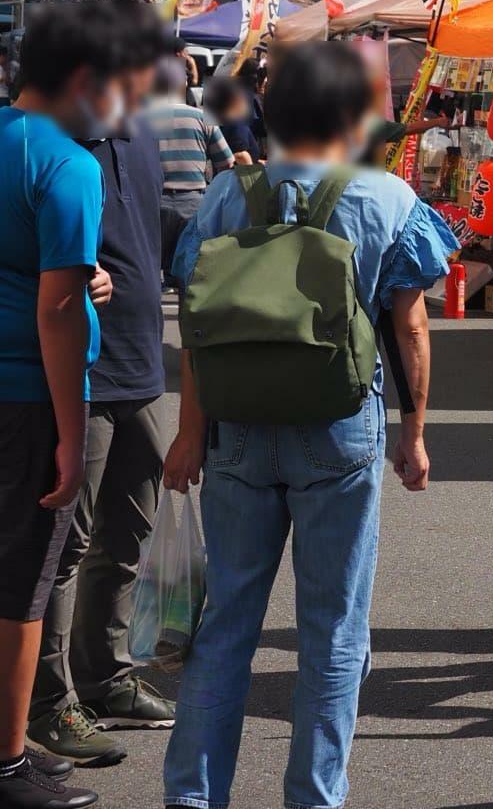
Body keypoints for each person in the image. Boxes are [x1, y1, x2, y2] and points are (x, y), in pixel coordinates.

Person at [160, 40, 454, 809]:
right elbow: (411, 328)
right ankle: (313, 798)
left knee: (225, 627)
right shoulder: (385, 199)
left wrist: (189, 433)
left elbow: (197, 323)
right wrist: (414, 433)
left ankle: (193, 797)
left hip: (237, 433)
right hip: (337, 429)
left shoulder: (229, 196)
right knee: (332, 633)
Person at [29, 0, 176, 772]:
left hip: (141, 369)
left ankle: (107, 675)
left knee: (127, 533)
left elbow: (155, 238)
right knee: (60, 543)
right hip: (73, 373)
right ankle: (46, 702)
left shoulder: (139, 134)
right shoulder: (48, 142)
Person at [0, 0, 121, 809]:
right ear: (83, 78)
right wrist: (73, 438)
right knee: (20, 589)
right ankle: (7, 764)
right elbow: (53, 311)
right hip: (27, 398)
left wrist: (78, 281)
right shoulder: (70, 164)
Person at [141, 60, 236, 276]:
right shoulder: (202, 118)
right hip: (194, 203)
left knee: (152, 271)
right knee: (191, 272)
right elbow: (227, 163)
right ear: (183, 84)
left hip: (155, 202)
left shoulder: (144, 119)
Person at [201, 78, 258, 165]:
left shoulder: (218, 123)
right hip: (239, 176)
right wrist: (254, 179)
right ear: (235, 101)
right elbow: (240, 155)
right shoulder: (236, 123)